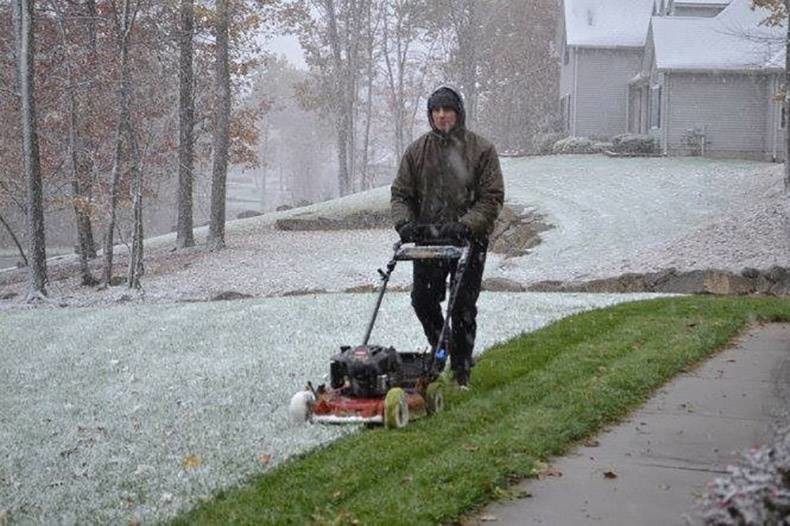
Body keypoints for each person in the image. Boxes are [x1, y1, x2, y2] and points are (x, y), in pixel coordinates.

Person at [390, 86, 504, 388]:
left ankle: (461, 372)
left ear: (458, 113)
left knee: (463, 306)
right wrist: (405, 224)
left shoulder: (480, 150)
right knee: (422, 301)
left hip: (469, 240)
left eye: (447, 110)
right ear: (430, 115)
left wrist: (467, 225)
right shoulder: (417, 152)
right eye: (436, 111)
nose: (441, 116)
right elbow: (401, 195)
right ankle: (443, 348)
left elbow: (491, 198)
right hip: (429, 240)